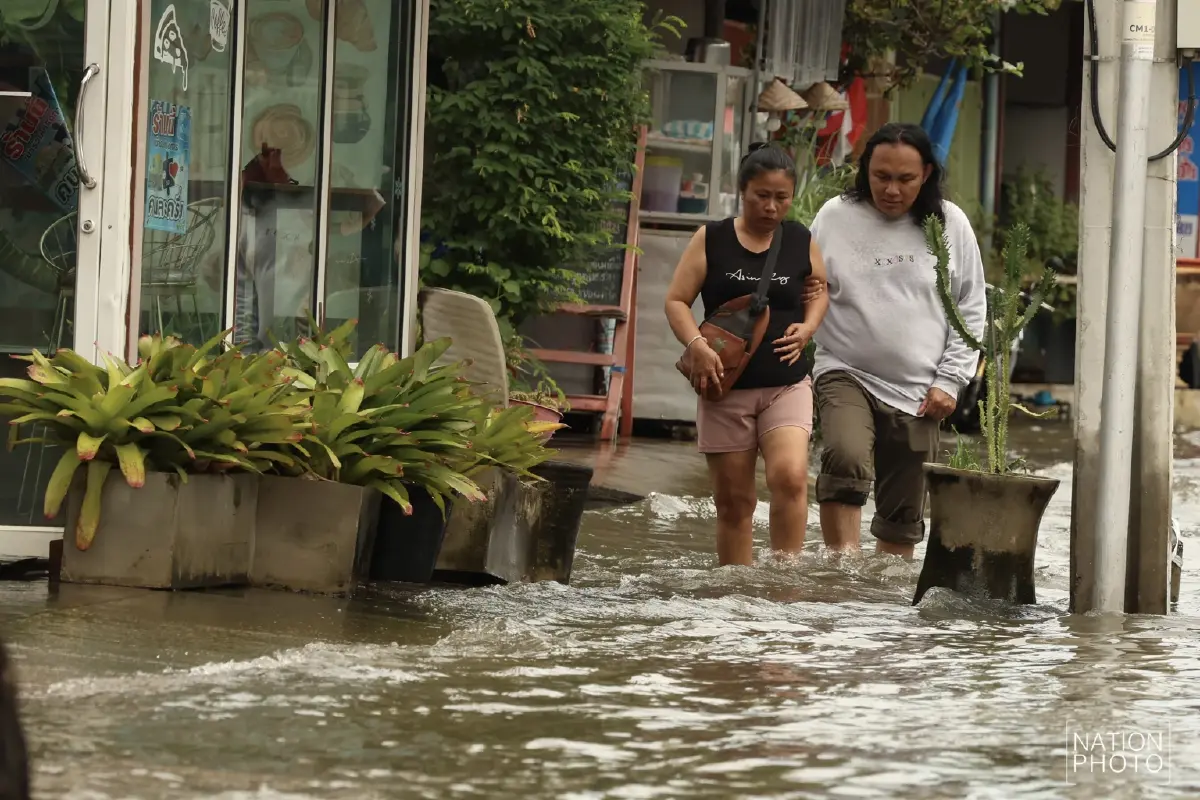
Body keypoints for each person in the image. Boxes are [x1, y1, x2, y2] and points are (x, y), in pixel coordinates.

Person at [807, 122, 987, 559]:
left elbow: (971, 306)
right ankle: (842, 575)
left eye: (904, 179)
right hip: (844, 369)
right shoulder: (834, 216)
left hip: (921, 389)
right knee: (845, 459)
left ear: (925, 174)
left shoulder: (949, 224)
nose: (891, 189)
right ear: (865, 169)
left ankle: (882, 606)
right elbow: (809, 285)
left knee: (902, 515)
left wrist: (950, 381)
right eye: (880, 176)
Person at [664, 143, 830, 566]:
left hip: (787, 381)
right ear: (742, 191)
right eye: (762, 195)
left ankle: (784, 577)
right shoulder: (712, 238)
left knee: (790, 477)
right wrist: (696, 346)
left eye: (782, 197)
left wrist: (809, 325)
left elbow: (819, 289)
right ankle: (737, 593)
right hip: (723, 384)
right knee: (735, 501)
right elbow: (677, 301)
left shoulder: (799, 239)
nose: (772, 207)